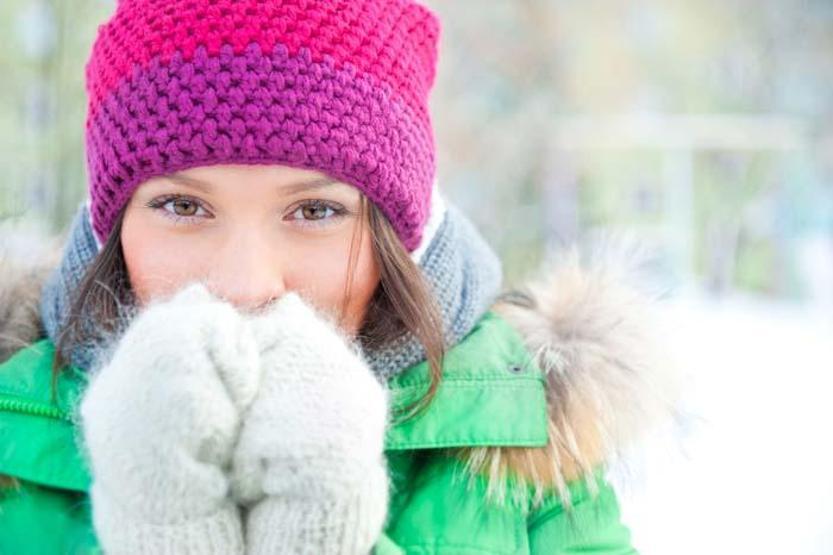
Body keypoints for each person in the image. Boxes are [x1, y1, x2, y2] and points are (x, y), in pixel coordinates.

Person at [0, 0, 676, 553]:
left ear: (394, 235)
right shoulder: (10, 434)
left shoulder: (522, 439)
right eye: (183, 206)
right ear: (109, 230)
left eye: (314, 210)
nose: (243, 283)